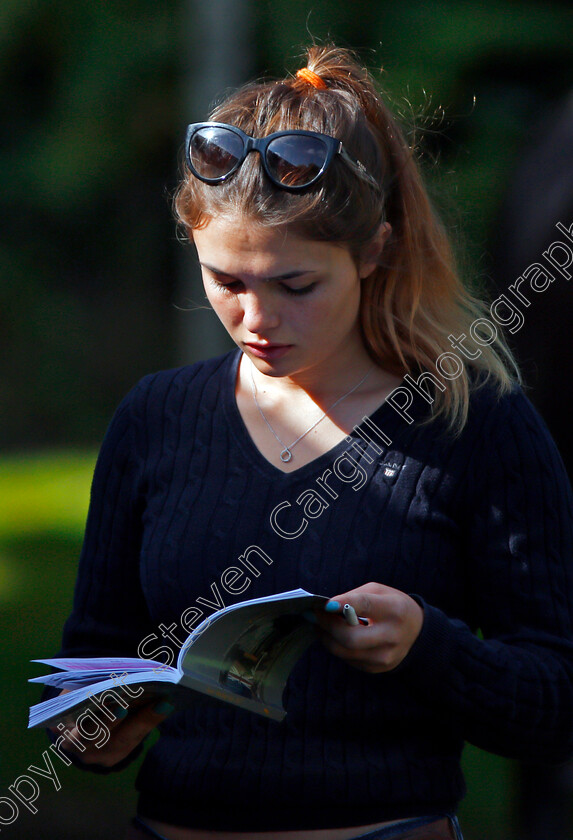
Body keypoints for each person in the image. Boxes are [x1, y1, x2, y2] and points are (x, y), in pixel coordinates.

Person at [48, 45, 573, 840]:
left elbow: (554, 701)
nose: (256, 321)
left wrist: (430, 647)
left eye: (295, 286)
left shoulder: (473, 424)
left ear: (373, 251)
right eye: (226, 280)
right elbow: (97, 654)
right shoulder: (154, 419)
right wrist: (94, 731)